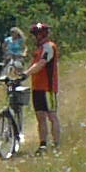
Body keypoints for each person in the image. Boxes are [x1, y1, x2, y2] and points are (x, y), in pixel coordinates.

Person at [27, 20, 60, 150]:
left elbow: (41, 64)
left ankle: (56, 144)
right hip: (37, 87)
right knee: (40, 116)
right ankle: (43, 144)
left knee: (51, 116)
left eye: (39, 34)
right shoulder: (39, 49)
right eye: (35, 34)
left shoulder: (49, 47)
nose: (37, 36)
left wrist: (26, 73)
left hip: (48, 87)